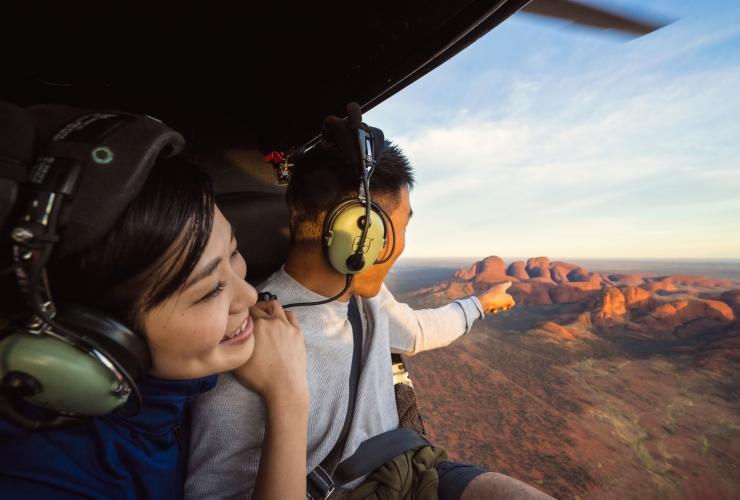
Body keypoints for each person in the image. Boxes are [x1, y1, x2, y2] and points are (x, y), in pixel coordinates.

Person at [187, 138, 552, 499]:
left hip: (409, 469)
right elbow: (216, 492)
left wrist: (481, 303)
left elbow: (416, 331)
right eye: (402, 227)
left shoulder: (367, 296)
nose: (403, 243)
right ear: (362, 237)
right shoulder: (252, 340)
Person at [0, 107, 309, 500]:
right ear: (103, 335)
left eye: (233, 252)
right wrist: (289, 397)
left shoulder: (165, 383)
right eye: (209, 290)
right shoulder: (38, 480)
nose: (247, 295)